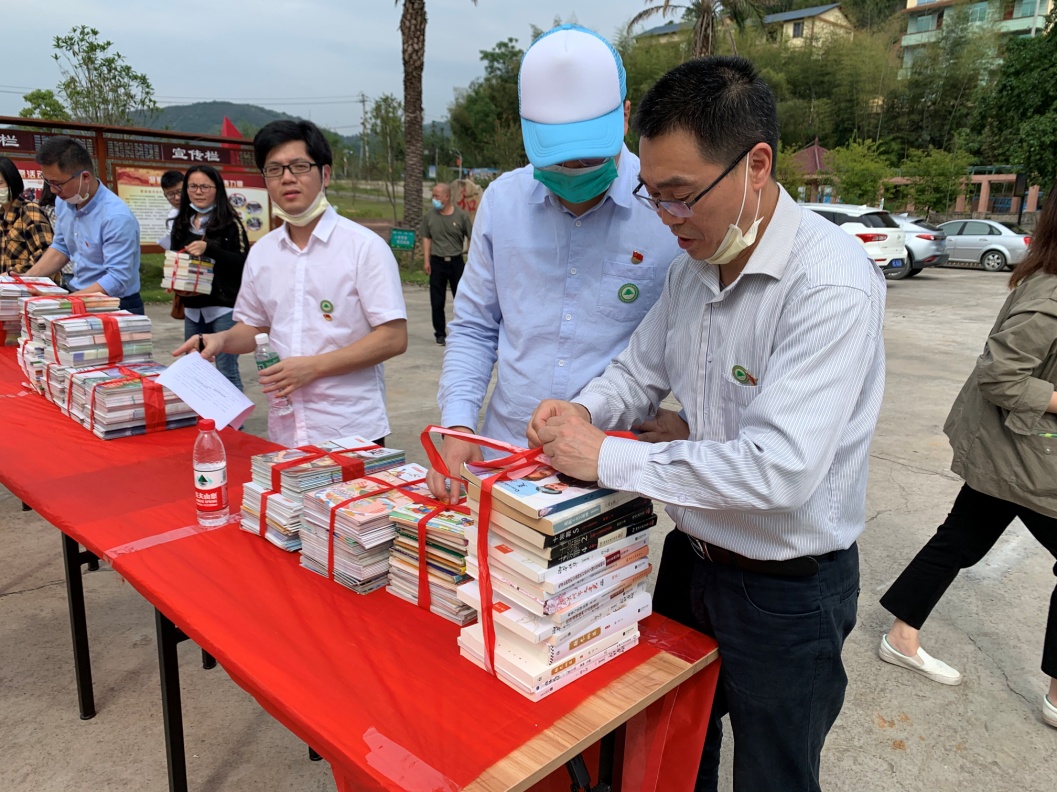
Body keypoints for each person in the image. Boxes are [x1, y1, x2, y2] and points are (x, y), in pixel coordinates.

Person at [527, 56, 886, 792]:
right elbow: (638, 371)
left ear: (757, 165)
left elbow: (778, 470)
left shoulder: (829, 286)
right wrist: (584, 410)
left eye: (682, 195)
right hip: (691, 562)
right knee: (672, 755)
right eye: (652, 195)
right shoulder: (690, 270)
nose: (667, 218)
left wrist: (607, 458)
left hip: (785, 589)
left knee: (772, 774)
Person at [427, 24, 684, 503]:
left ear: (624, 117)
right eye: (557, 159)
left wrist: (690, 422)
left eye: (587, 158)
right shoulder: (503, 203)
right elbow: (476, 328)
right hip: (504, 455)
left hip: (609, 467)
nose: (572, 173)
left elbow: (705, 337)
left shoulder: (666, 213)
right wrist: (458, 425)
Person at [879, 179, 1057, 729]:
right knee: (960, 539)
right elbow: (1000, 376)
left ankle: (901, 634)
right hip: (1018, 451)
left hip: (1015, 449)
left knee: (959, 538)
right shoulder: (1051, 298)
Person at [173, 120, 407, 447]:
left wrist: (313, 368)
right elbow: (255, 326)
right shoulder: (263, 253)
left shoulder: (364, 247)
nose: (286, 178)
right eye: (274, 169)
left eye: (299, 166)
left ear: (325, 174)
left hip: (352, 430)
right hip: (286, 431)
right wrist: (220, 339)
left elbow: (393, 337)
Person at [23, 136, 143, 313]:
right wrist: (26, 279)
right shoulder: (64, 202)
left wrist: (63, 301)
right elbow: (61, 247)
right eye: (48, 183)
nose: (53, 191)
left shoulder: (116, 217)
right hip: (79, 295)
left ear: (85, 177)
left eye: (58, 184)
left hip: (115, 304)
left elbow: (117, 279)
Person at [169, 165, 249, 391]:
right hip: (193, 307)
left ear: (217, 189)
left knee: (226, 370)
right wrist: (173, 278)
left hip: (223, 308)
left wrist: (210, 249)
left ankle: (235, 415)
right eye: (192, 186)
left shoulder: (230, 223)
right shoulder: (181, 222)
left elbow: (243, 262)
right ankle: (201, 412)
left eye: (205, 186)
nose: (198, 192)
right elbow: (176, 256)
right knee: (193, 366)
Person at [420, 182, 472, 345]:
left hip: (456, 262)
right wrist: (426, 260)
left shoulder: (461, 216)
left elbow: (471, 236)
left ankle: (463, 331)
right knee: (437, 301)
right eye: (433, 196)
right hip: (437, 262)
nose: (434, 199)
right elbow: (426, 238)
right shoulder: (429, 216)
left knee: (462, 300)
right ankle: (440, 334)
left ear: (447, 197)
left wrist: (470, 259)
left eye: (437, 196)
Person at [0, 156, 53, 274]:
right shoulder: (2, 215)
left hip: (30, 282)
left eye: (0, 183)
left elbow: (47, 254)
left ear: (12, 182)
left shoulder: (29, 211)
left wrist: (14, 273)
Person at [157, 169, 183, 251]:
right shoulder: (173, 215)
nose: (177, 198)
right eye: (170, 194)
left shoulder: (200, 211)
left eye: (180, 192)